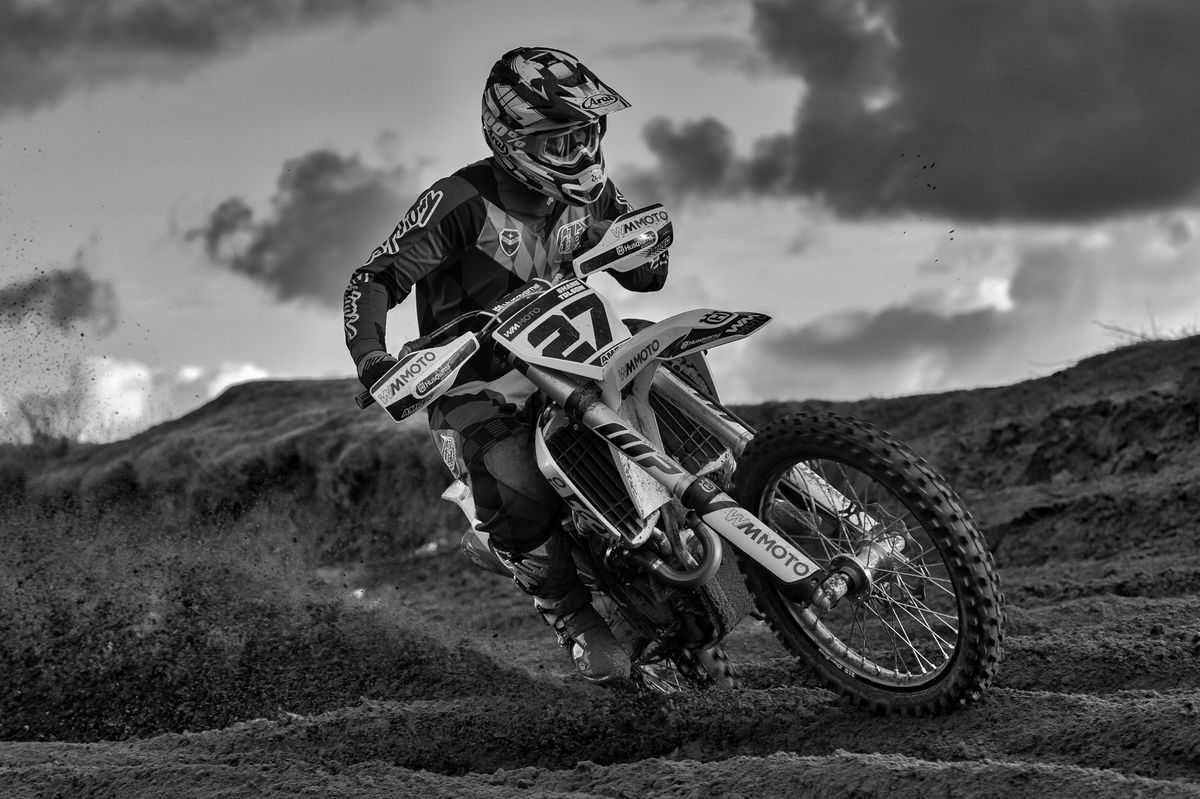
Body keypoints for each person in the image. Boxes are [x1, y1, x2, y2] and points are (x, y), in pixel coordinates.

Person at [342, 46, 668, 684]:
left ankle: (779, 492)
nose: (577, 154)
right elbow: (374, 278)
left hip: (576, 354)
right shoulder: (460, 198)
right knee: (514, 473)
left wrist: (643, 244)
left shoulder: (591, 190)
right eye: (558, 140)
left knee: (662, 348)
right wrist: (373, 359)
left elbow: (648, 273)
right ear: (512, 139)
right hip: (478, 377)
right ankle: (572, 617)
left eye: (585, 135)